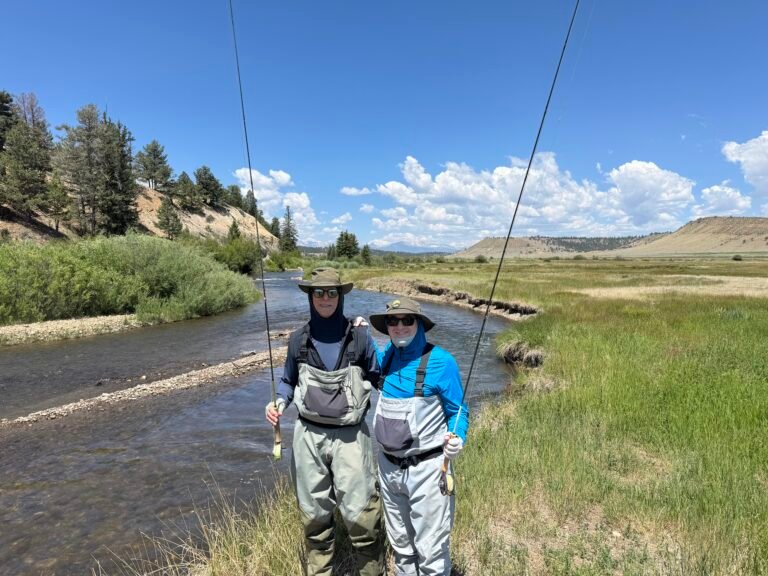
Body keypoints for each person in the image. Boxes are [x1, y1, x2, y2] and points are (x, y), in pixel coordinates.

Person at [265, 267, 384, 576]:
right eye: (319, 292)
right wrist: (278, 403)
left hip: (352, 437)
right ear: (310, 296)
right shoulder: (298, 340)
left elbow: (381, 377)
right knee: (314, 515)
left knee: (363, 515)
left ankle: (372, 570)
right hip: (308, 437)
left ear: (341, 295)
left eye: (332, 292)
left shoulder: (360, 337)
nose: (326, 298)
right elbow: (287, 382)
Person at [369, 297, 468, 576]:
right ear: (386, 326)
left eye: (407, 320)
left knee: (431, 550)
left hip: (428, 470)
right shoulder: (386, 355)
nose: (399, 327)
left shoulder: (442, 362)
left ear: (419, 324)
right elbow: (364, 364)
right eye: (392, 321)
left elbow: (458, 410)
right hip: (388, 468)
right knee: (401, 546)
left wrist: (457, 436)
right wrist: (359, 331)